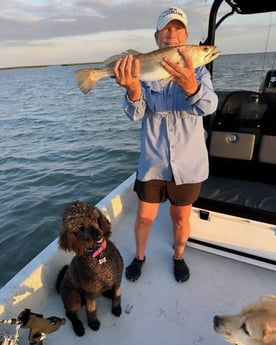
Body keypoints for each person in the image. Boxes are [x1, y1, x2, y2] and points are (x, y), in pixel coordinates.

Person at [113, 6, 218, 283]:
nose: (172, 34)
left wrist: (191, 86)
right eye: (166, 29)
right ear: (157, 36)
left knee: (181, 219)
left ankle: (179, 256)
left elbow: (209, 106)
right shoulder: (144, 69)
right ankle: (139, 257)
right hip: (153, 162)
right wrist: (133, 90)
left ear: (186, 37)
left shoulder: (200, 72)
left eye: (177, 28)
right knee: (144, 217)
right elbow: (134, 114)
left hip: (188, 164)